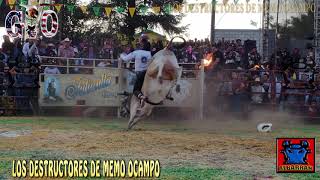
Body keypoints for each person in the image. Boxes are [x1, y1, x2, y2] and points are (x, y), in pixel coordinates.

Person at [120, 38, 152, 104]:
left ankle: (141, 97)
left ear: (142, 46)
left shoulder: (136, 52)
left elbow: (125, 59)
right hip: (147, 74)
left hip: (139, 74)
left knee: (135, 90)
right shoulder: (150, 53)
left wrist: (121, 55)